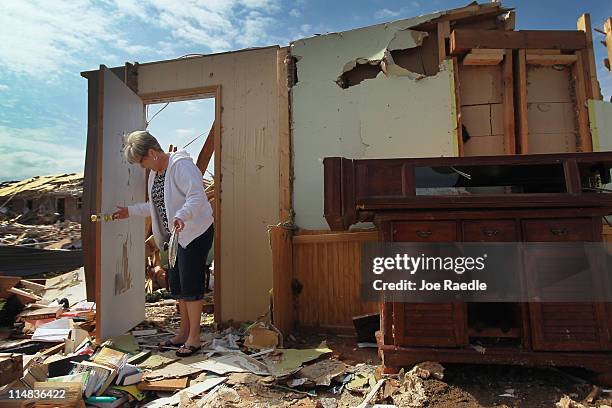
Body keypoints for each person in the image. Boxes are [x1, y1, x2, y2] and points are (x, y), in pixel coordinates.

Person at [113, 130, 214, 357]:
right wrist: (129, 211)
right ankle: (184, 332)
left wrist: (182, 215)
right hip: (175, 237)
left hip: (194, 232)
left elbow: (197, 196)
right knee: (178, 286)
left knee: (191, 286)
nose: (142, 167)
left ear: (152, 152)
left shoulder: (181, 166)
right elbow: (158, 207)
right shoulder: (155, 174)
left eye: (142, 161)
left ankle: (194, 338)